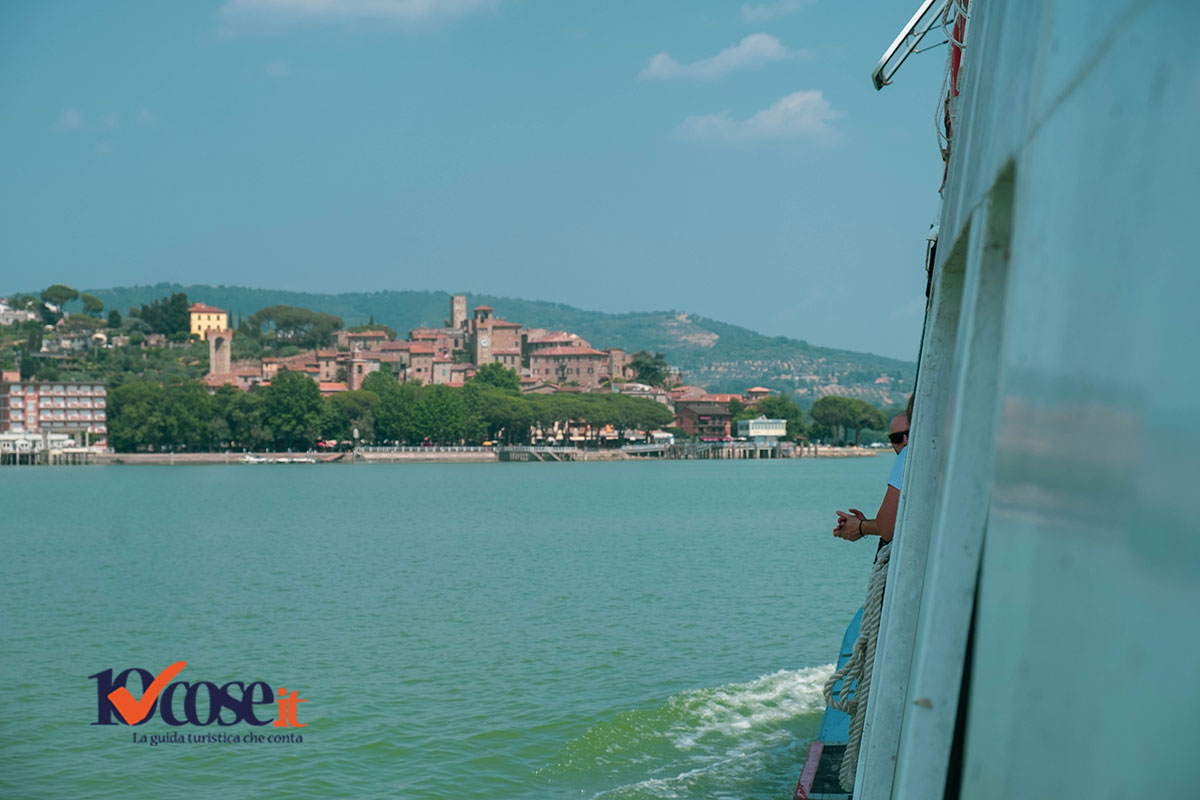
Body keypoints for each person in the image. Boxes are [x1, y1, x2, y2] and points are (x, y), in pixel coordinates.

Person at [833, 408, 908, 544]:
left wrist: (861, 527)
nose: (905, 441)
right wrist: (863, 525)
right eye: (897, 438)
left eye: (910, 434)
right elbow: (895, 523)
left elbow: (887, 529)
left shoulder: (906, 454)